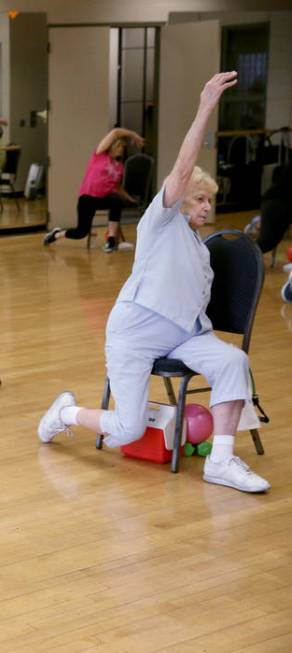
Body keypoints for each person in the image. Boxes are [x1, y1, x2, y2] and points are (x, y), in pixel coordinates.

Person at [37, 72, 270, 494]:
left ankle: (220, 461)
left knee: (233, 361)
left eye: (209, 201)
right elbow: (182, 167)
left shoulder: (199, 249)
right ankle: (66, 413)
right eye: (200, 198)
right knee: (126, 429)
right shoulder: (159, 221)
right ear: (179, 198)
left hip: (183, 336)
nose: (206, 207)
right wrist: (205, 107)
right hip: (135, 335)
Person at [43, 127, 144, 252]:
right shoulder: (100, 155)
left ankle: (111, 241)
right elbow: (115, 133)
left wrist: (130, 199)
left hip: (102, 199)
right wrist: (132, 134)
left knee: (116, 201)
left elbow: (117, 187)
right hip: (87, 198)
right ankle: (57, 234)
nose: (121, 151)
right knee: (81, 232)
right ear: (111, 147)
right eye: (118, 147)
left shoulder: (120, 167)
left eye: (122, 149)